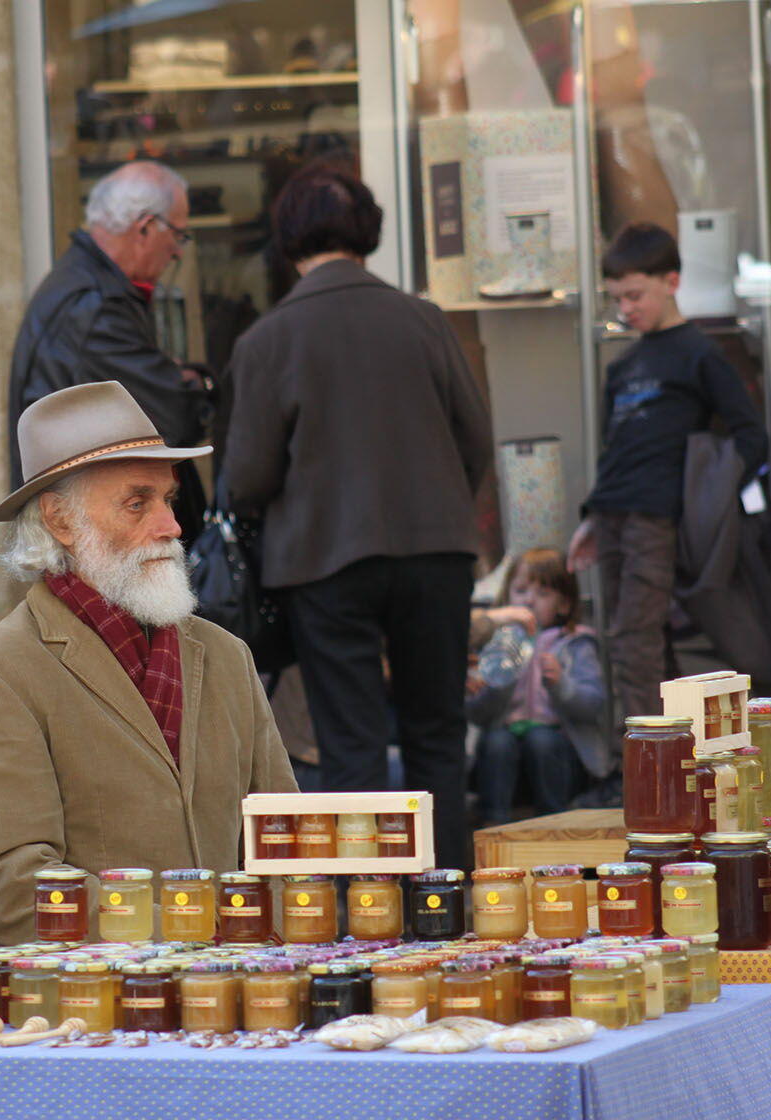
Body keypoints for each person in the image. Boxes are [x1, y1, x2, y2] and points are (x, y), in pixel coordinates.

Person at [0, 381, 296, 946]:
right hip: (91, 1013)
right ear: (60, 521)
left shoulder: (226, 655)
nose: (172, 528)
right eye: (137, 504)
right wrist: (191, 937)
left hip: (240, 1000)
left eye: (168, 500)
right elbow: (11, 888)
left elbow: (282, 838)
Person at [222, 163, 493, 870]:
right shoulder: (425, 320)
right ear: (367, 231)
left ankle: (368, 912)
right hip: (438, 550)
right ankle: (449, 904)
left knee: (352, 746)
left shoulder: (268, 340)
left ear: (287, 241)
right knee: (439, 734)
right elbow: (476, 443)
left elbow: (246, 478)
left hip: (324, 561)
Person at [568, 222, 768, 730]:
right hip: (615, 510)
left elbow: (750, 434)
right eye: (616, 299)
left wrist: (708, 501)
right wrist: (591, 516)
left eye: (635, 295)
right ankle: (672, 754)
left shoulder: (700, 353)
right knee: (635, 637)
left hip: (658, 515)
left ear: (672, 281)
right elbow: (615, 450)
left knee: (635, 640)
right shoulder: (624, 366)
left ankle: (644, 767)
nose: (625, 309)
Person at [7, 161, 211, 541]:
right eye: (179, 236)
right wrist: (199, 386)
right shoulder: (94, 305)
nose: (178, 253)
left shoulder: (89, 288)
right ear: (146, 227)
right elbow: (171, 419)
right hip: (100, 541)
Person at [467, 549, 608, 827]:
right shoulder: (496, 644)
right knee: (497, 741)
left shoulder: (574, 643)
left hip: (557, 759)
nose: (529, 600)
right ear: (507, 598)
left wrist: (561, 685)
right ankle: (493, 825)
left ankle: (552, 823)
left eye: (543, 593)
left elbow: (594, 705)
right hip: (505, 761)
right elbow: (475, 713)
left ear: (564, 605)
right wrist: (496, 682)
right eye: (520, 591)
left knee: (540, 739)